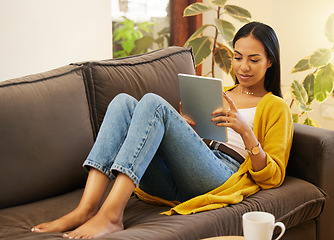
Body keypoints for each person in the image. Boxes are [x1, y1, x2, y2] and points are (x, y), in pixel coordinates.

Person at [31, 21, 293, 239]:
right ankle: (86, 208)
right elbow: (196, 144)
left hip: (221, 175)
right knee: (123, 102)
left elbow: (273, 177)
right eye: (237, 57)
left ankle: (111, 215)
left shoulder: (276, 107)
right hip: (183, 174)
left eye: (253, 59)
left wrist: (246, 132)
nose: (243, 67)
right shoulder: (220, 93)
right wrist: (181, 127)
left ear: (270, 61)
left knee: (154, 104)